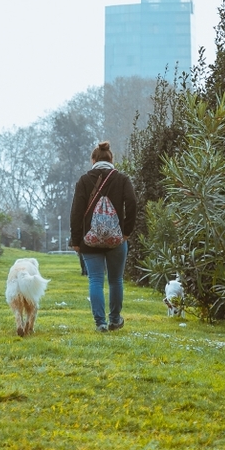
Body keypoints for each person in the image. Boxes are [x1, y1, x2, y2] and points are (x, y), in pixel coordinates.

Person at [69, 141, 137, 332]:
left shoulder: (84, 180)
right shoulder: (122, 179)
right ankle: (115, 319)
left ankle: (100, 323)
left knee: (96, 280)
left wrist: (76, 240)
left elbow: (76, 212)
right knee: (116, 280)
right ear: (111, 159)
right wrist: (126, 232)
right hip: (117, 240)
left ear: (93, 160)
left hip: (89, 241)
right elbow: (132, 203)